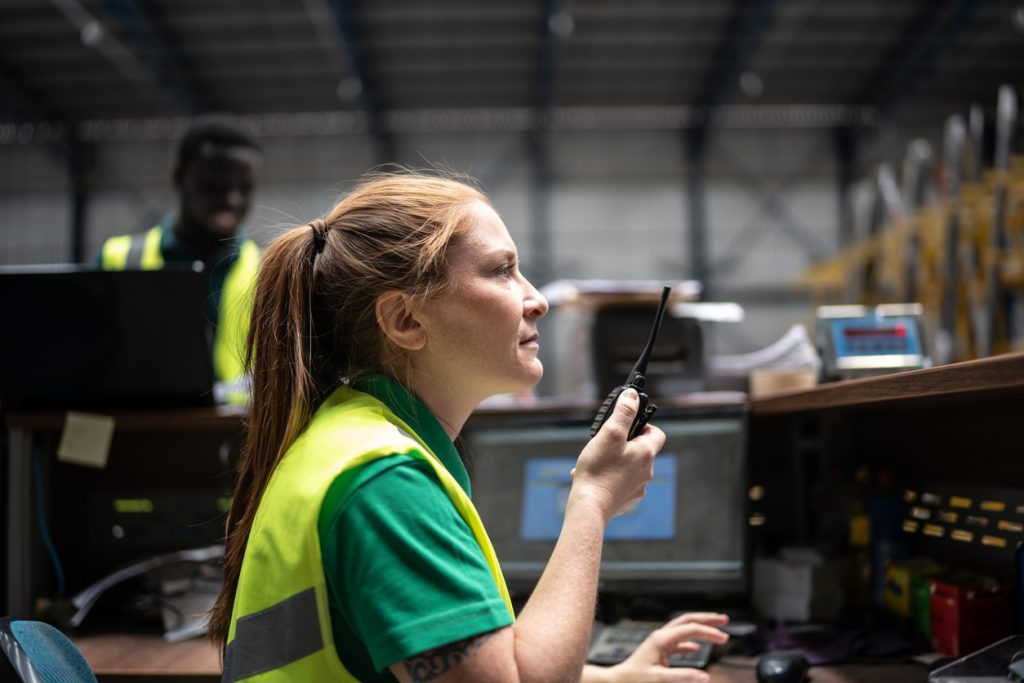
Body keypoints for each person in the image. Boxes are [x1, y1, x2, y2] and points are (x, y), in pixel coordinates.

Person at [208, 171, 729, 683]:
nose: (537, 299)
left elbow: (467, 667)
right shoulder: (386, 484)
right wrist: (593, 501)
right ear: (406, 321)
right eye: (502, 271)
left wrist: (612, 678)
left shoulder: (346, 438)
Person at [96, 120, 263, 402]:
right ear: (178, 177)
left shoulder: (268, 271)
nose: (231, 199)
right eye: (214, 185)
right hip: (140, 432)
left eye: (244, 188)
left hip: (238, 437)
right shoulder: (118, 258)